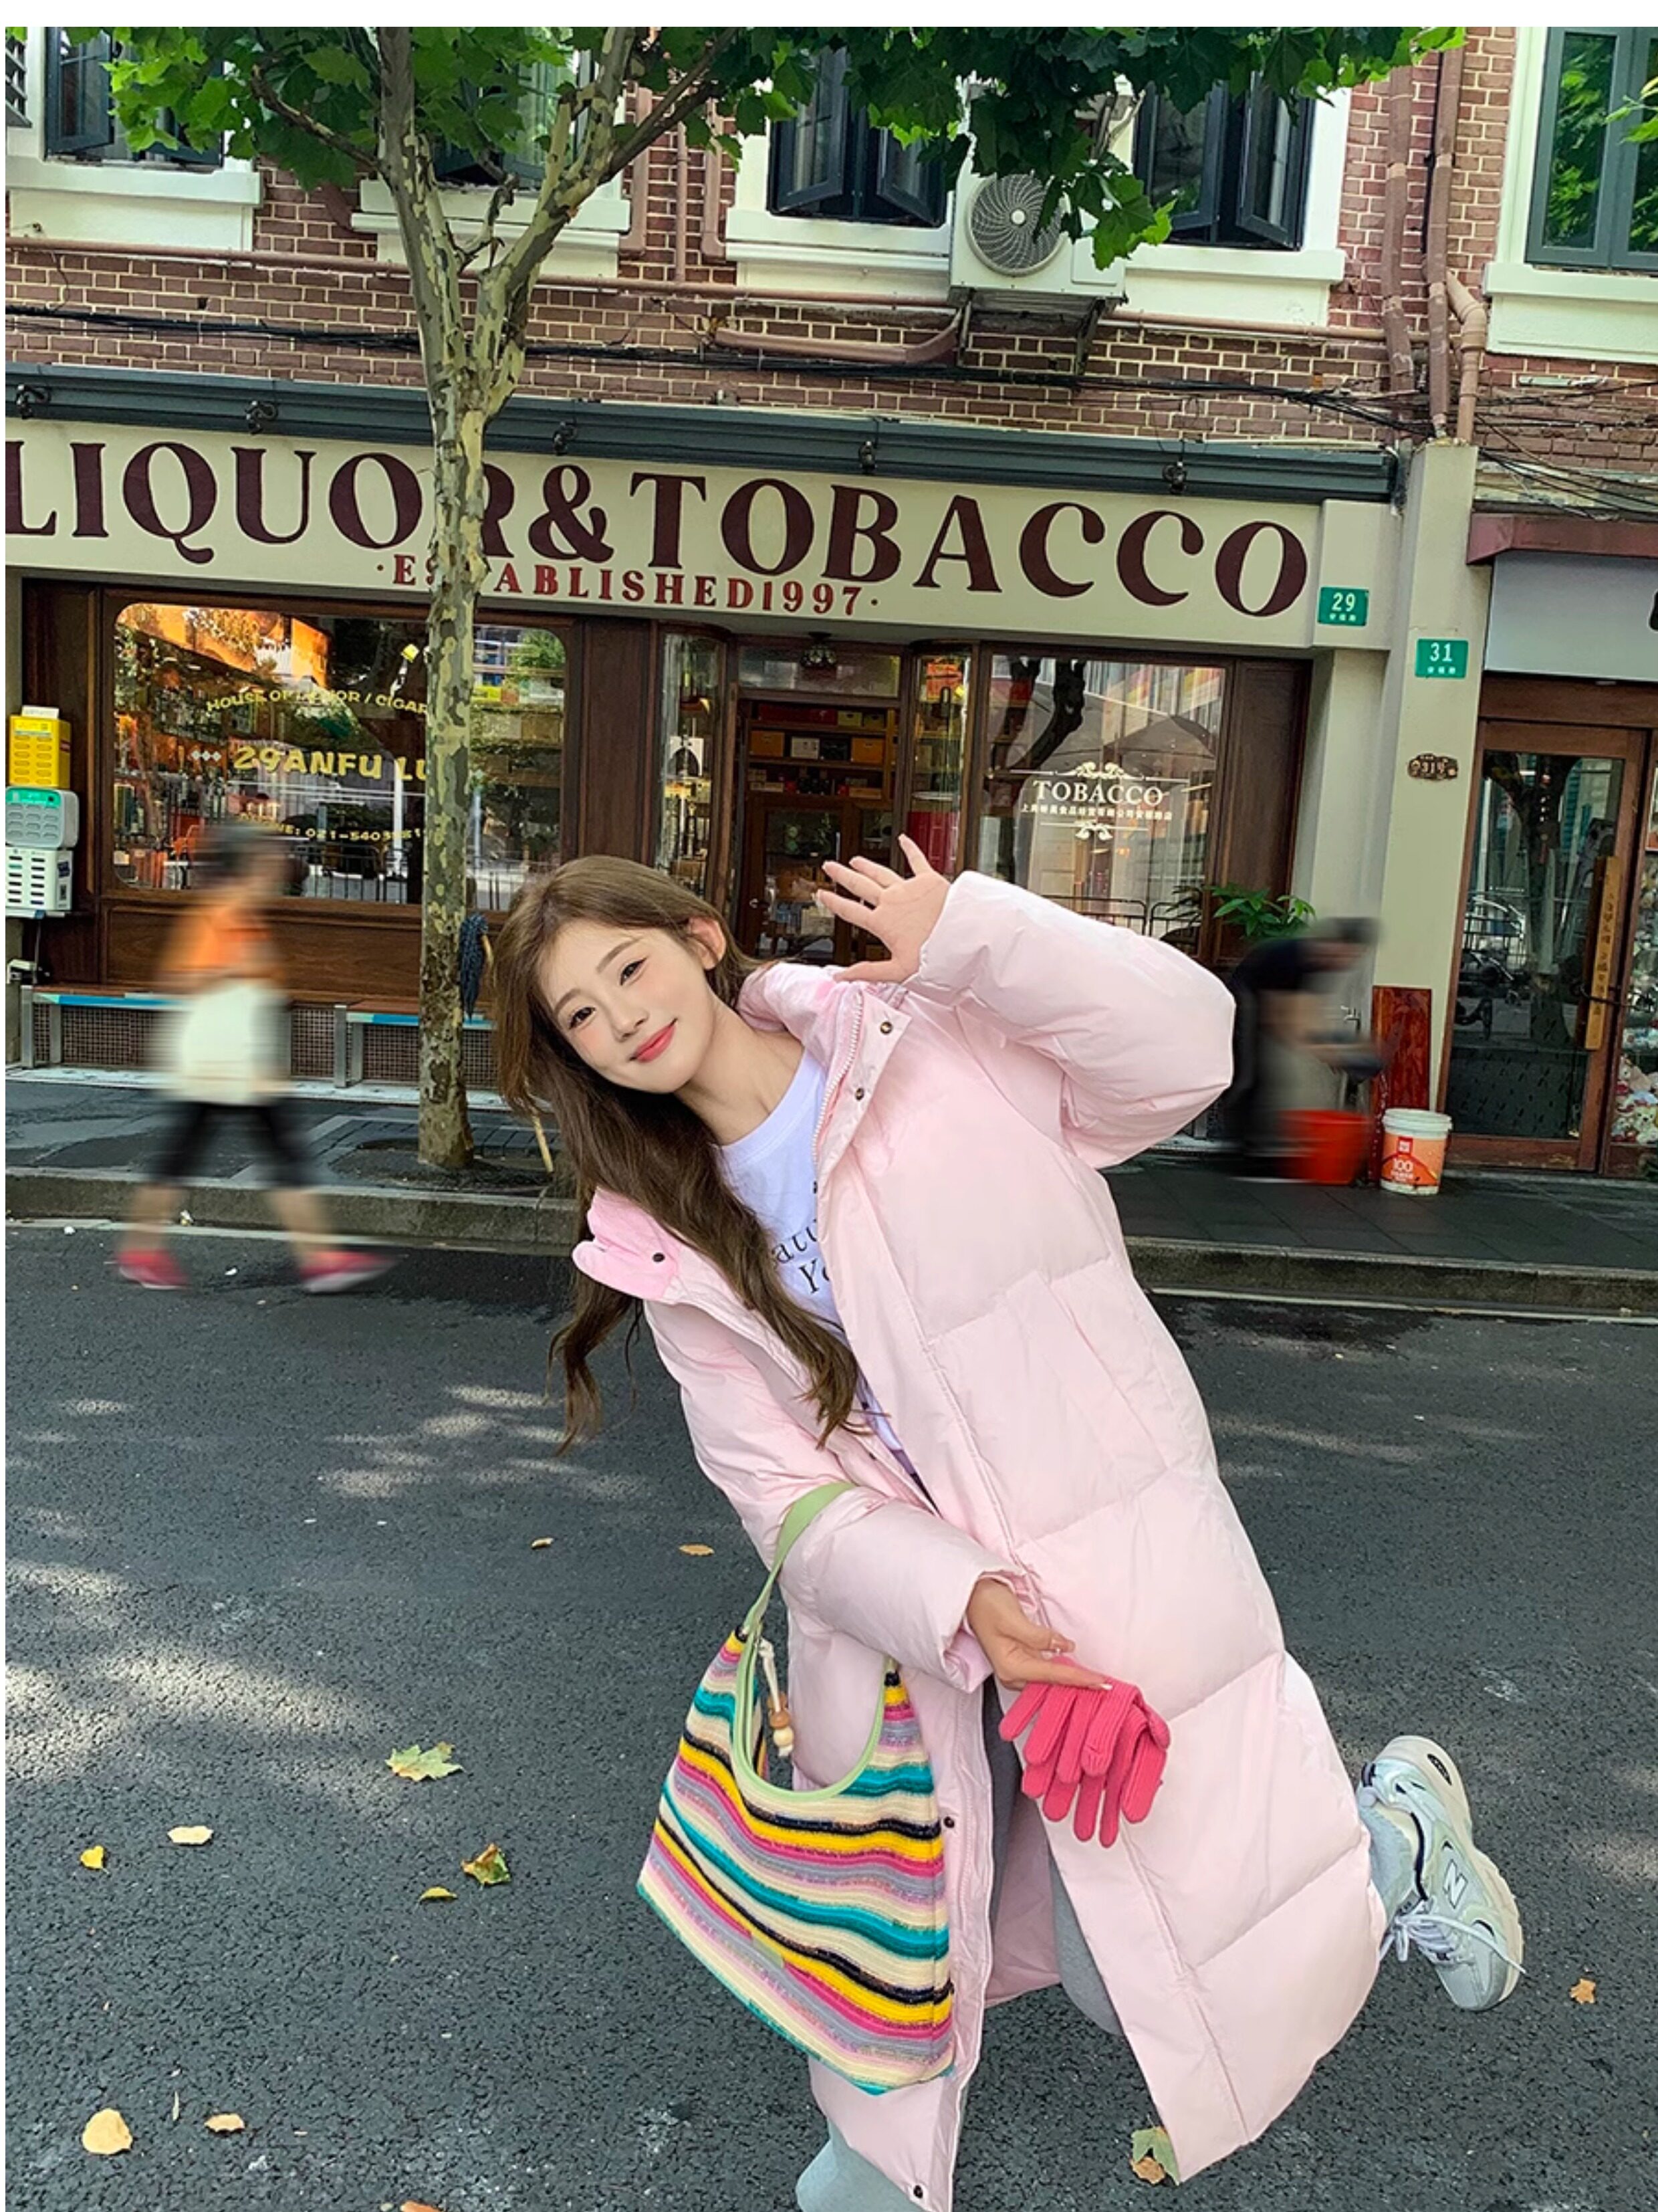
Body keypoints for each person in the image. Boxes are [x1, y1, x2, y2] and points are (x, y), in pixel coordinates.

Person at [492, 845, 1522, 2211]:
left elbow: (1186, 1051)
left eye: (629, 966)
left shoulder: (925, 1035)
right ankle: (871, 2172)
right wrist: (951, 1593)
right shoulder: (661, 1233)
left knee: (1129, 1968)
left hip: (1110, 1558)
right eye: (580, 1012)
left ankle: (1391, 1838)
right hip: (917, 1629)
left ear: (698, 936)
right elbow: (779, 1491)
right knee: (902, 1929)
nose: (622, 1016)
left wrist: (977, 936)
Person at [118, 824, 392, 1294]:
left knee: (206, 1154)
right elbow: (180, 979)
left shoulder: (240, 915)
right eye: (266, 863)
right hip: (220, 1064)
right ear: (245, 867)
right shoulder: (220, 915)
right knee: (258, 1154)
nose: (275, 872)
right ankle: (318, 1258)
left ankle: (144, 1251)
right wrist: (234, 969)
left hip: (232, 1064)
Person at [1220, 918, 1380, 1173]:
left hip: (1265, 1005)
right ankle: (1240, 1154)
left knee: (1269, 1077)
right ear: (1337, 945)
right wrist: (1327, 1053)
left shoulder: (1321, 965)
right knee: (1248, 1077)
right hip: (1242, 1002)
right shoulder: (1289, 958)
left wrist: (1346, 1048)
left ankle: (1255, 1148)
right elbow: (1278, 1018)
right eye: (1349, 954)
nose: (1348, 962)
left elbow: (1309, 1012)